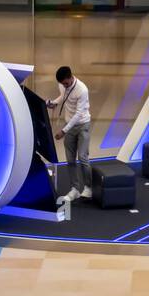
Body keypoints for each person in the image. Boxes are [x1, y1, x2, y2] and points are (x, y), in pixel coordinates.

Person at [47, 66, 91, 203]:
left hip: (83, 125)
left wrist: (64, 131)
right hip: (70, 126)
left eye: (66, 83)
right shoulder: (62, 85)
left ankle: (89, 187)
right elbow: (64, 96)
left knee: (83, 157)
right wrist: (53, 103)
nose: (64, 86)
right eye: (62, 84)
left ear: (71, 77)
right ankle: (75, 189)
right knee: (70, 160)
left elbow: (78, 114)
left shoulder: (82, 90)